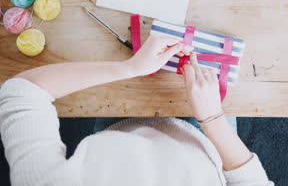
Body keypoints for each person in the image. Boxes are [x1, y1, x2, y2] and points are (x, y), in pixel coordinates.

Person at [0, 35, 273, 186]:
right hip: (211, 139)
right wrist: (212, 116)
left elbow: (22, 94)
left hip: (119, 130)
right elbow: (251, 181)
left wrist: (129, 69)